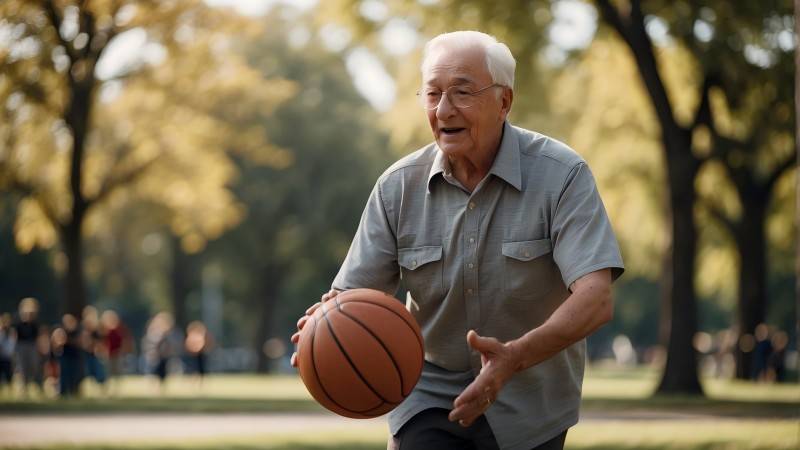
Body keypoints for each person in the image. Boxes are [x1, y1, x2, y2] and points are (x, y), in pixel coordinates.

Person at [291, 31, 624, 450]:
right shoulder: (396, 188)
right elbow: (353, 294)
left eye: (462, 93)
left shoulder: (563, 175)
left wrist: (513, 358)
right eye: (432, 95)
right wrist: (324, 327)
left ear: (504, 102)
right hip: (426, 397)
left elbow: (596, 298)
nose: (444, 109)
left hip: (532, 401)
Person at [13, 298, 44, 396]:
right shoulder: (18, 323)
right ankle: (23, 390)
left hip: (32, 346)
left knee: (34, 367)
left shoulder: (35, 324)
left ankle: (38, 386)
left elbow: (38, 337)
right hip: (21, 347)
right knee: (22, 369)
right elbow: (15, 337)